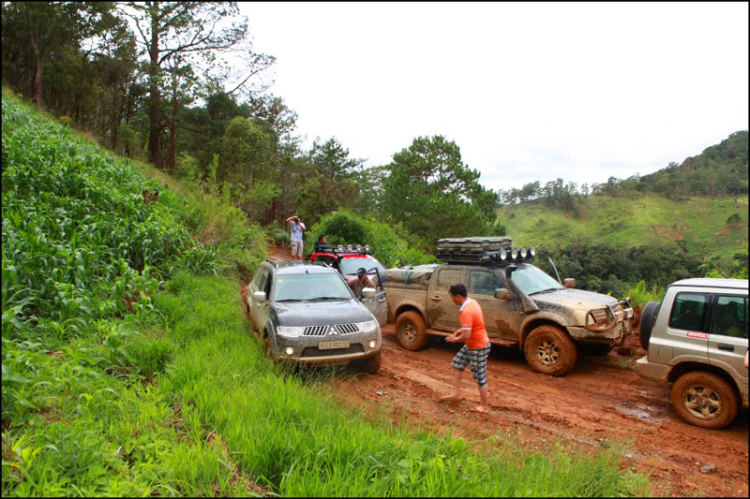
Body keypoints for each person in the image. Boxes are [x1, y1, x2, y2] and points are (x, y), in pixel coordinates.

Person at [440, 283, 491, 413]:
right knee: (457, 364)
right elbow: (472, 326)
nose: (452, 300)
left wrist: (454, 339)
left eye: (453, 298)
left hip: (478, 346)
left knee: (480, 377)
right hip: (473, 344)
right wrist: (460, 330)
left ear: (458, 296)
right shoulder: (472, 302)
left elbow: (467, 335)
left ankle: (484, 406)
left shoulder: (466, 311)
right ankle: (457, 394)